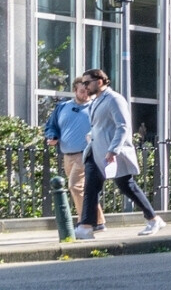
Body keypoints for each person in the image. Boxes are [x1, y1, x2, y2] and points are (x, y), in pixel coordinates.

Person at [75, 69, 161, 239]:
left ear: (99, 81)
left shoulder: (114, 99)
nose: (84, 87)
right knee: (90, 188)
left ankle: (153, 219)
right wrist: (92, 136)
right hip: (95, 151)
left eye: (87, 83)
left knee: (126, 186)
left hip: (110, 153)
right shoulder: (96, 100)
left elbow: (123, 126)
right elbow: (100, 126)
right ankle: (85, 227)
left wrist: (113, 150)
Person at [43, 78, 94, 226]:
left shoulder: (94, 107)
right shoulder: (62, 107)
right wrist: (53, 136)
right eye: (82, 91)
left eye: (88, 91)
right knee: (83, 189)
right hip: (67, 155)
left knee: (75, 186)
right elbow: (51, 126)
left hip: (85, 153)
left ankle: (85, 222)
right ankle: (98, 221)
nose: (85, 94)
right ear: (75, 91)